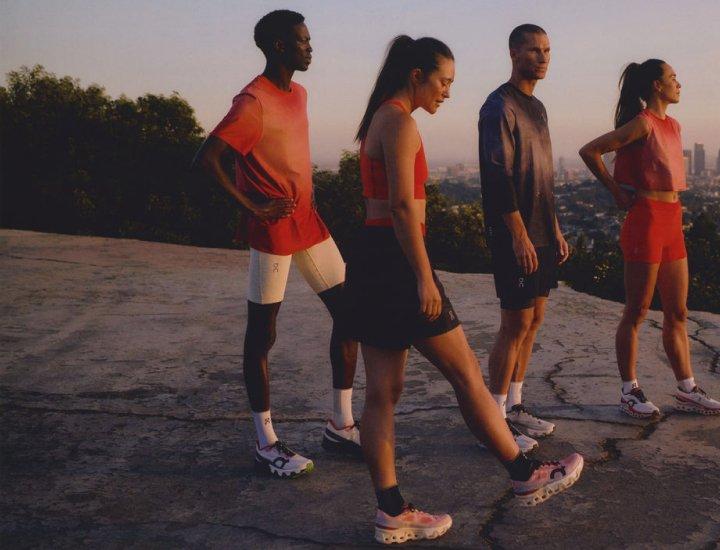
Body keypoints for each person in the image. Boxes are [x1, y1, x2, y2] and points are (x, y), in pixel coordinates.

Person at [350, 35, 583, 544]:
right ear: (417, 76)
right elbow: (405, 209)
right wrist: (423, 275)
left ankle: (391, 509)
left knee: (382, 395)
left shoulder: (378, 121)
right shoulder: (402, 122)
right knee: (468, 378)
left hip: (370, 260)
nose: (447, 93)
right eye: (444, 82)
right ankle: (525, 475)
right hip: (396, 264)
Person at [192, 10, 361, 478]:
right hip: (272, 232)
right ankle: (266, 442)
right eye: (303, 41)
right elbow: (208, 159)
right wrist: (252, 206)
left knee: (351, 316)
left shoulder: (300, 93)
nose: (311, 47)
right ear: (279, 46)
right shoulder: (252, 102)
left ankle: (341, 424)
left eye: (310, 39)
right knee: (262, 336)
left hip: (310, 223)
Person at [579, 59, 720, 418]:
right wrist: (615, 191)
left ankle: (687, 388)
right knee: (637, 310)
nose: (679, 83)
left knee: (677, 310)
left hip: (672, 220)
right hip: (645, 219)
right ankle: (630, 392)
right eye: (673, 77)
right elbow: (590, 151)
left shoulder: (673, 125)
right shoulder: (643, 123)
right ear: (656, 87)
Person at [478, 24, 569, 452]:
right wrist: (518, 235)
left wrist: (553, 228)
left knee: (534, 321)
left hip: (541, 233)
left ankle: (514, 406)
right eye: (534, 50)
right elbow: (499, 179)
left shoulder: (539, 107)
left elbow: (543, 176)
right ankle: (492, 422)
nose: (543, 57)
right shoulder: (499, 106)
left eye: (547, 50)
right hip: (515, 235)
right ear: (514, 52)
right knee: (513, 324)